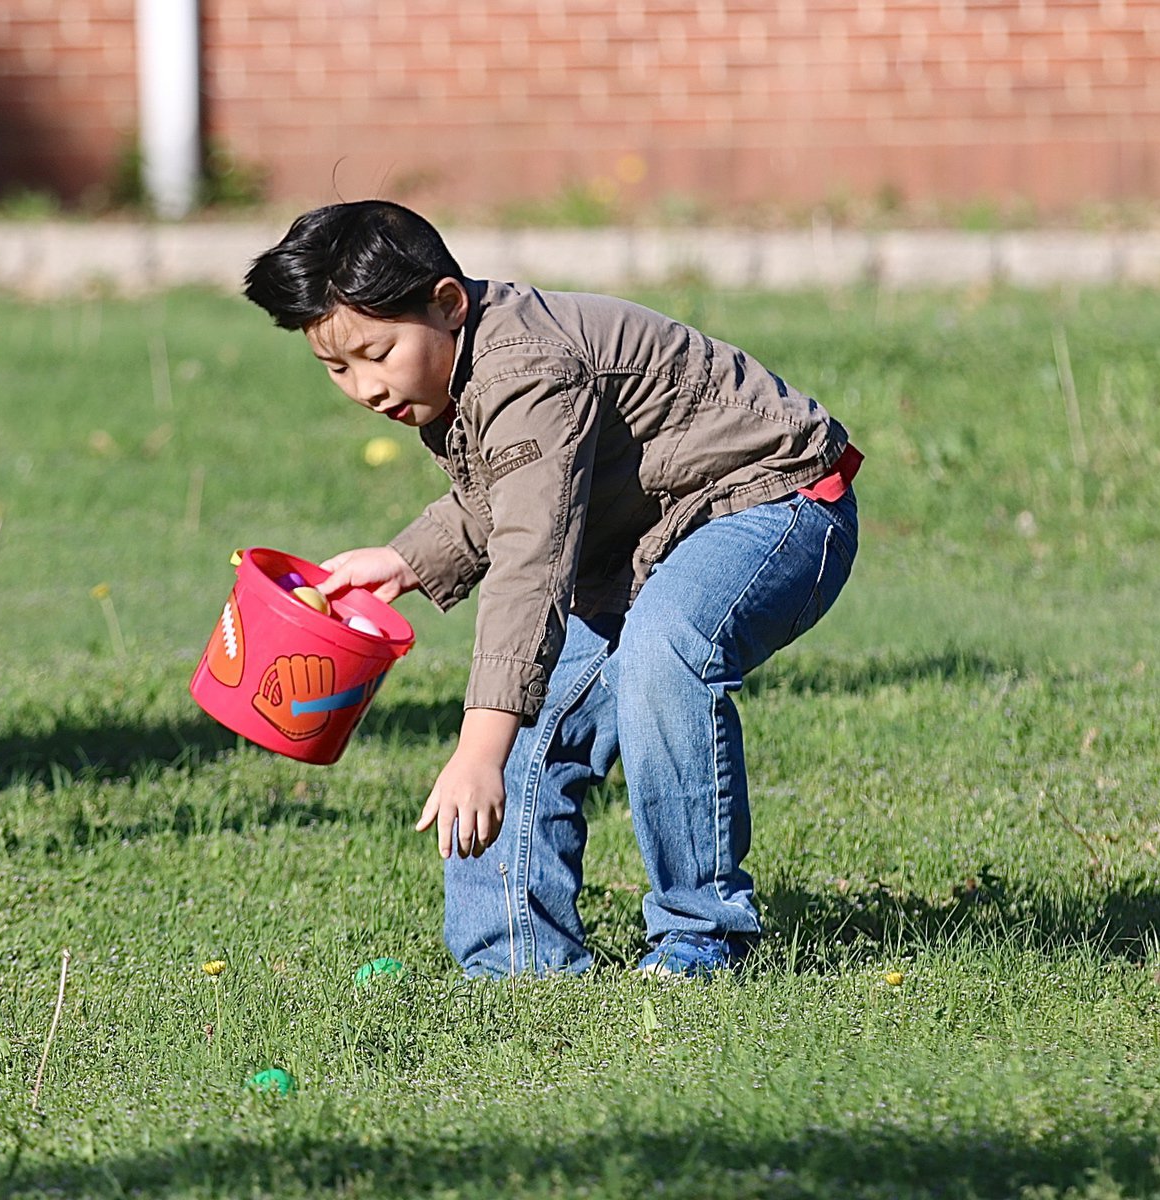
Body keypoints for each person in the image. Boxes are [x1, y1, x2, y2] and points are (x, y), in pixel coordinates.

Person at [243, 200, 861, 980]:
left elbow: (531, 558)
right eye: (336, 368)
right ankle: (516, 967)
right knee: (525, 734)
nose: (365, 386)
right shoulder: (461, 363)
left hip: (776, 503)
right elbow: (521, 489)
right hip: (651, 540)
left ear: (446, 303)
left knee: (658, 654)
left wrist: (476, 744)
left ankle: (702, 934)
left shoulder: (524, 366)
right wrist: (405, 560)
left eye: (376, 352)